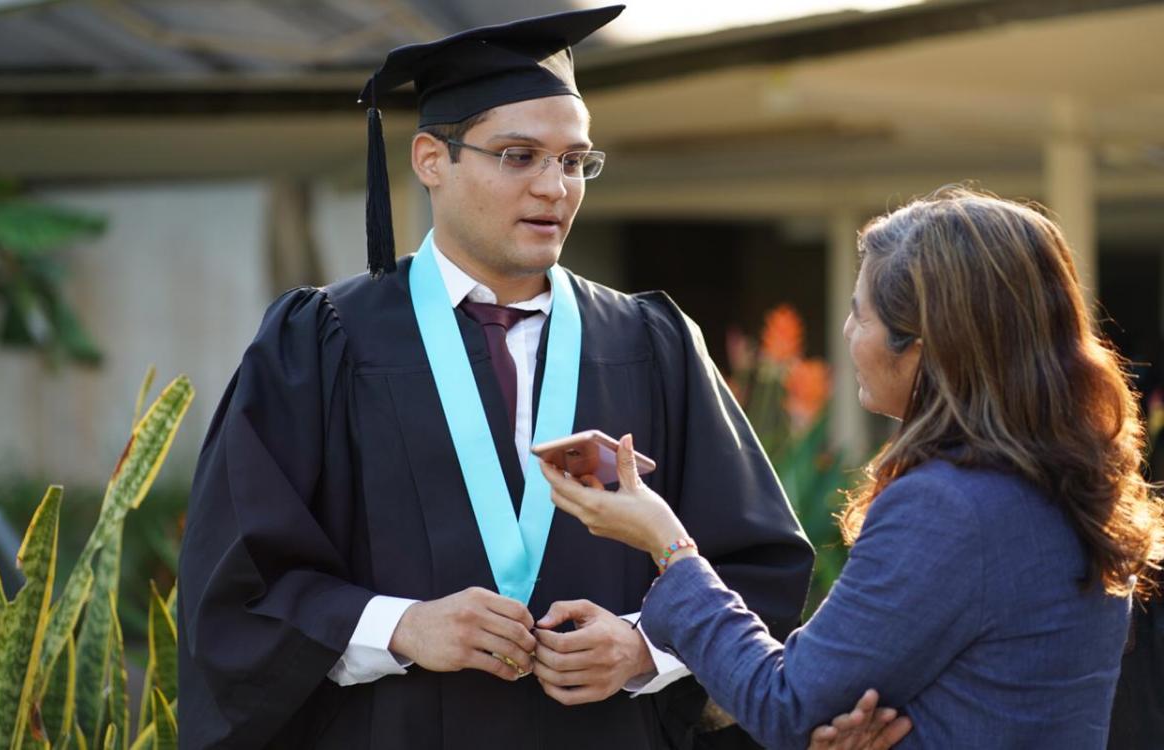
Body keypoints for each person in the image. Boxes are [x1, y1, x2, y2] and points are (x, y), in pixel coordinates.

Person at [176, 7, 865, 748]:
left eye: (573, 161)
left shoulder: (651, 343)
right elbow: (239, 586)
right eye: (518, 156)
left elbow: (759, 569)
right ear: (431, 160)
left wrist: (645, 648)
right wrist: (401, 627)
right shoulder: (323, 343)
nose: (554, 188)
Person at [544, 186, 1164, 749]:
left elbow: (785, 704)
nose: (845, 332)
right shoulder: (1067, 481)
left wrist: (668, 544)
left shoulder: (948, 505)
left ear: (922, 344)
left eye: (860, 314)